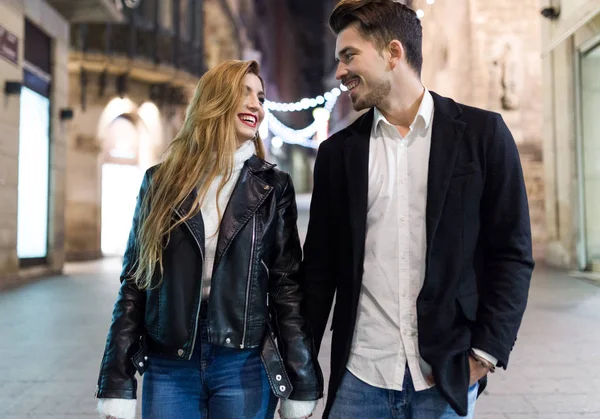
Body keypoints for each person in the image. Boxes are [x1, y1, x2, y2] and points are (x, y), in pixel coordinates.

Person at [301, 1, 535, 418]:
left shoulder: (483, 136)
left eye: (349, 56)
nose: (339, 72)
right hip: (359, 379)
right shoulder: (338, 155)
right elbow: (319, 271)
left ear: (394, 53)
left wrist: (484, 354)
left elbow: (511, 253)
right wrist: (301, 374)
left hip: (445, 378)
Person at [95, 59, 322, 419]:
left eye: (260, 97)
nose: (256, 106)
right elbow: (135, 283)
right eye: (243, 93)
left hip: (244, 363)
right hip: (170, 363)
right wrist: (117, 381)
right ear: (214, 101)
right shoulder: (161, 183)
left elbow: (286, 288)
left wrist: (301, 380)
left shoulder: (273, 188)